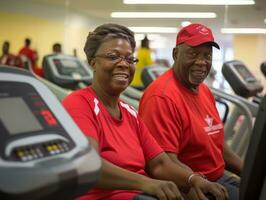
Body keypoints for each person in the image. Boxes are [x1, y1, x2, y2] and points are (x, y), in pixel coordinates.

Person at [63, 23, 228, 200]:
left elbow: (160, 164)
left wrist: (193, 179)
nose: (123, 64)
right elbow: (89, 164)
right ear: (92, 62)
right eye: (113, 57)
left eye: (129, 59)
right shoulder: (79, 103)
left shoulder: (129, 113)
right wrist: (146, 183)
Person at [138, 23, 243, 200]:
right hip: (188, 186)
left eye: (207, 55)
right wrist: (197, 183)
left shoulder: (204, 91)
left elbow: (218, 147)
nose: (201, 62)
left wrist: (254, 172)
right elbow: (164, 164)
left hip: (218, 177)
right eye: (193, 54)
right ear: (175, 54)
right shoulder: (161, 97)